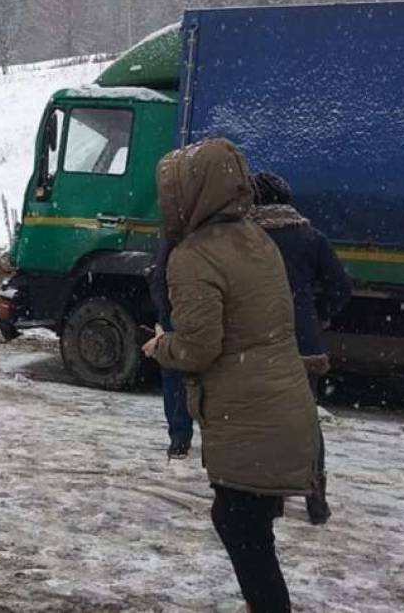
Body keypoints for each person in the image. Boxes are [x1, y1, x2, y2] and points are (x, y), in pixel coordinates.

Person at [143, 139, 319, 613]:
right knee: (249, 527)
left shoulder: (194, 255)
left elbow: (200, 348)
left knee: (240, 526)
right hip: (283, 406)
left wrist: (160, 345)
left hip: (249, 417)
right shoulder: (256, 237)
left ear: (192, 193)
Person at [251, 170, 353, 526]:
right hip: (302, 345)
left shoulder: (246, 238)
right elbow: (340, 286)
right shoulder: (312, 237)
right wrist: (316, 316)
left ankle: (272, 496)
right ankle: (316, 495)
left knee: (262, 420)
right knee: (305, 421)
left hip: (257, 342)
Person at [147, 237, 194, 460]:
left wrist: (167, 317)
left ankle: (179, 438)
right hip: (201, 319)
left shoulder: (176, 237)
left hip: (177, 318)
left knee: (175, 376)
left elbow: (159, 279)